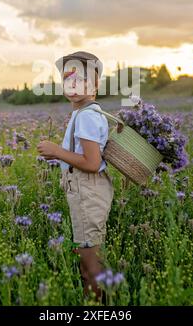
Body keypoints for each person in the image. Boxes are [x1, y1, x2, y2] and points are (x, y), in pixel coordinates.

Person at [37, 51, 114, 302]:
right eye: (68, 78)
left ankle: (96, 308)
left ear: (95, 85)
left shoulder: (87, 116)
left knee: (89, 261)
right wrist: (61, 155)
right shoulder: (85, 113)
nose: (73, 84)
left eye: (81, 79)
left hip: (87, 191)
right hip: (87, 190)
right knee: (88, 253)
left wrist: (57, 151)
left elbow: (92, 163)